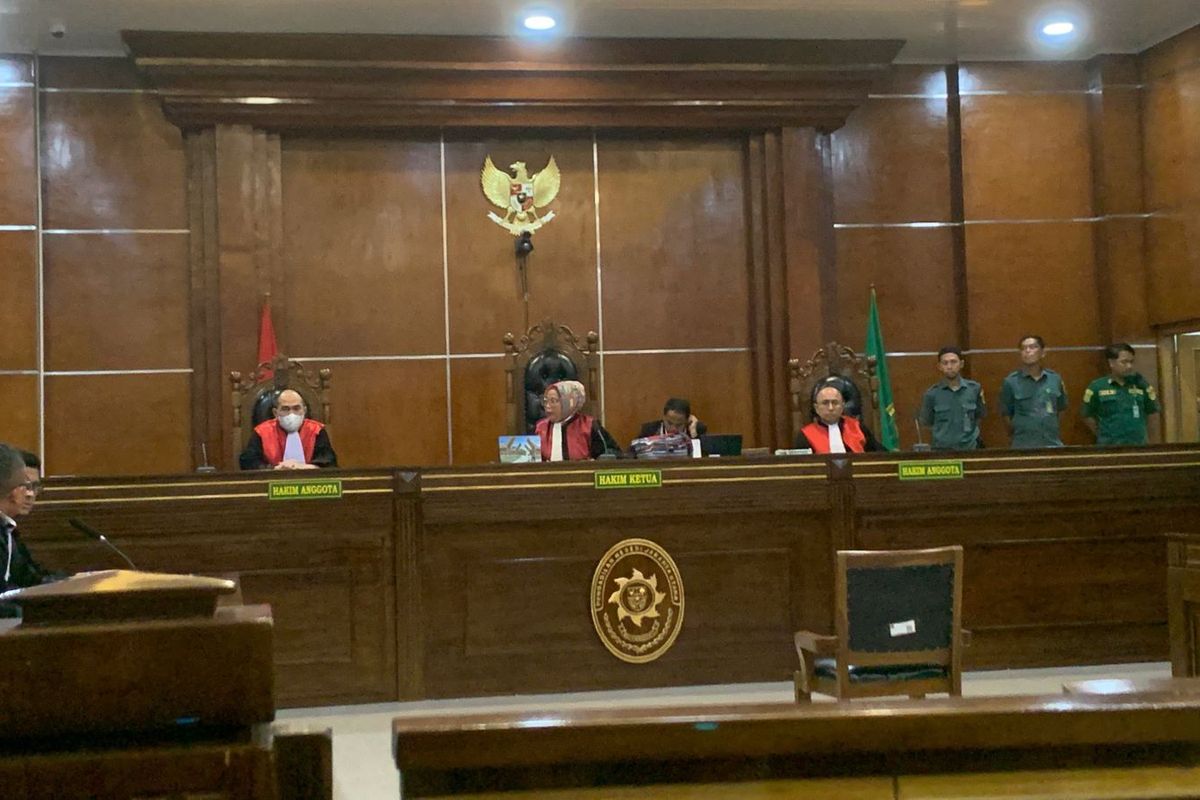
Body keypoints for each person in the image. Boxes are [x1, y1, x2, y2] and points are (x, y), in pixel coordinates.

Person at [0, 444, 54, 606]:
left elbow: (28, 576)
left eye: (34, 487)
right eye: (26, 486)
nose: (29, 493)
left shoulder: (7, 529)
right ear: (13, 491)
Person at [239, 389, 338, 470]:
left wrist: (304, 467)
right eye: (285, 409)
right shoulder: (262, 432)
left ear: (304, 410)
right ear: (275, 413)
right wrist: (274, 469)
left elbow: (328, 462)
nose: (291, 414)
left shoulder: (316, 430)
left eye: (296, 408)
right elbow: (248, 462)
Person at [1081, 343, 1160, 446]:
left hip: (1138, 445)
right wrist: (1103, 434)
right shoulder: (1097, 386)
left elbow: (1152, 411)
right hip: (1109, 446)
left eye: (1131, 362)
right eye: (1124, 362)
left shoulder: (1141, 385)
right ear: (1111, 363)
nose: (1129, 366)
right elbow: (1087, 415)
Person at [1000, 335, 1068, 449]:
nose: (1027, 351)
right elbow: (1006, 415)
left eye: (1032, 347)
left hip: (1051, 443)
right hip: (1022, 445)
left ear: (1043, 352)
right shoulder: (1011, 382)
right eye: (1023, 348)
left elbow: (1061, 409)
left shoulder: (1055, 379)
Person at [918, 346, 986, 451]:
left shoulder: (974, 389)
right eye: (945, 363)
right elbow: (927, 422)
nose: (949, 366)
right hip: (941, 451)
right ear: (939, 366)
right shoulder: (932, 394)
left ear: (961, 364)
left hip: (970, 449)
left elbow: (979, 416)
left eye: (953, 362)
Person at [536, 380, 619, 461]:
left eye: (553, 401)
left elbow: (612, 453)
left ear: (569, 403)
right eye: (545, 401)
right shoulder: (541, 427)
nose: (547, 406)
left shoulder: (588, 425)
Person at [793, 383, 883, 454]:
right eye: (825, 403)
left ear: (842, 406)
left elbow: (880, 455)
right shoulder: (805, 435)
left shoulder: (857, 427)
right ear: (816, 408)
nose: (831, 408)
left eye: (835, 403)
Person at [636, 398, 707, 440]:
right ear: (664, 417)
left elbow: (703, 457)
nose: (673, 429)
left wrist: (694, 433)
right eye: (669, 423)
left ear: (686, 420)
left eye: (679, 425)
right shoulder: (648, 431)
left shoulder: (696, 432)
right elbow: (633, 455)